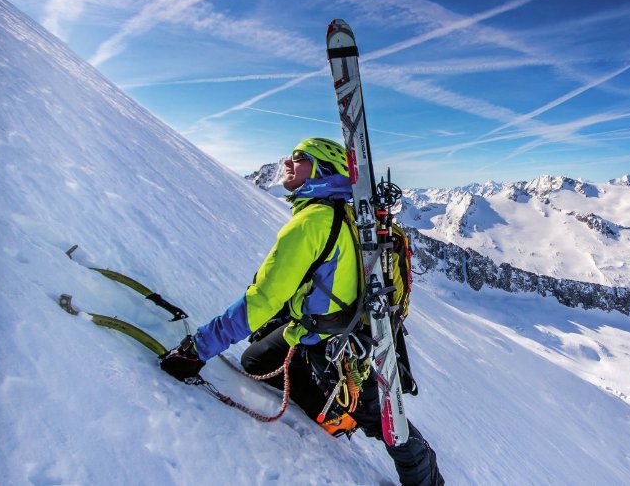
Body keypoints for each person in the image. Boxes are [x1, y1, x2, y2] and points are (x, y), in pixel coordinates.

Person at [160, 138, 443, 485]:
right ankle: (333, 407)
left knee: (382, 420)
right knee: (255, 360)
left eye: (300, 158)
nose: (288, 164)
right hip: (347, 336)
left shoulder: (312, 222)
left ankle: (426, 477)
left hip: (332, 347)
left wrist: (198, 349)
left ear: (322, 169)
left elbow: (261, 300)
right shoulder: (348, 215)